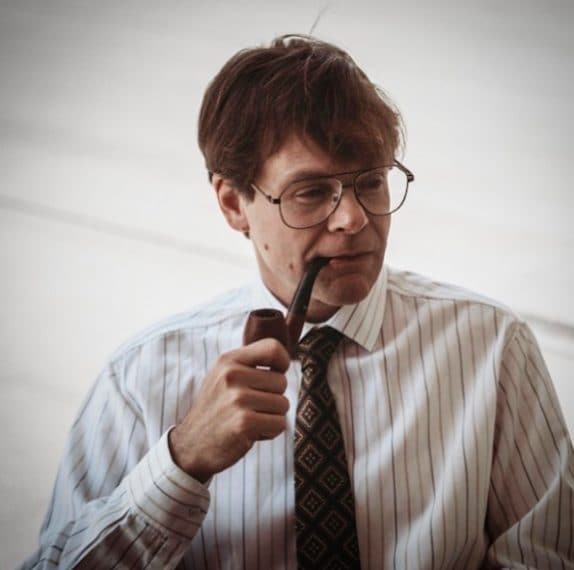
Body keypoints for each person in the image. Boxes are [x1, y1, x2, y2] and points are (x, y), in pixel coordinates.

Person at [23, 35, 573, 570]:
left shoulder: (491, 349)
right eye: (311, 192)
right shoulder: (139, 381)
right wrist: (182, 461)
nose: (353, 218)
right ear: (233, 204)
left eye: (371, 182)